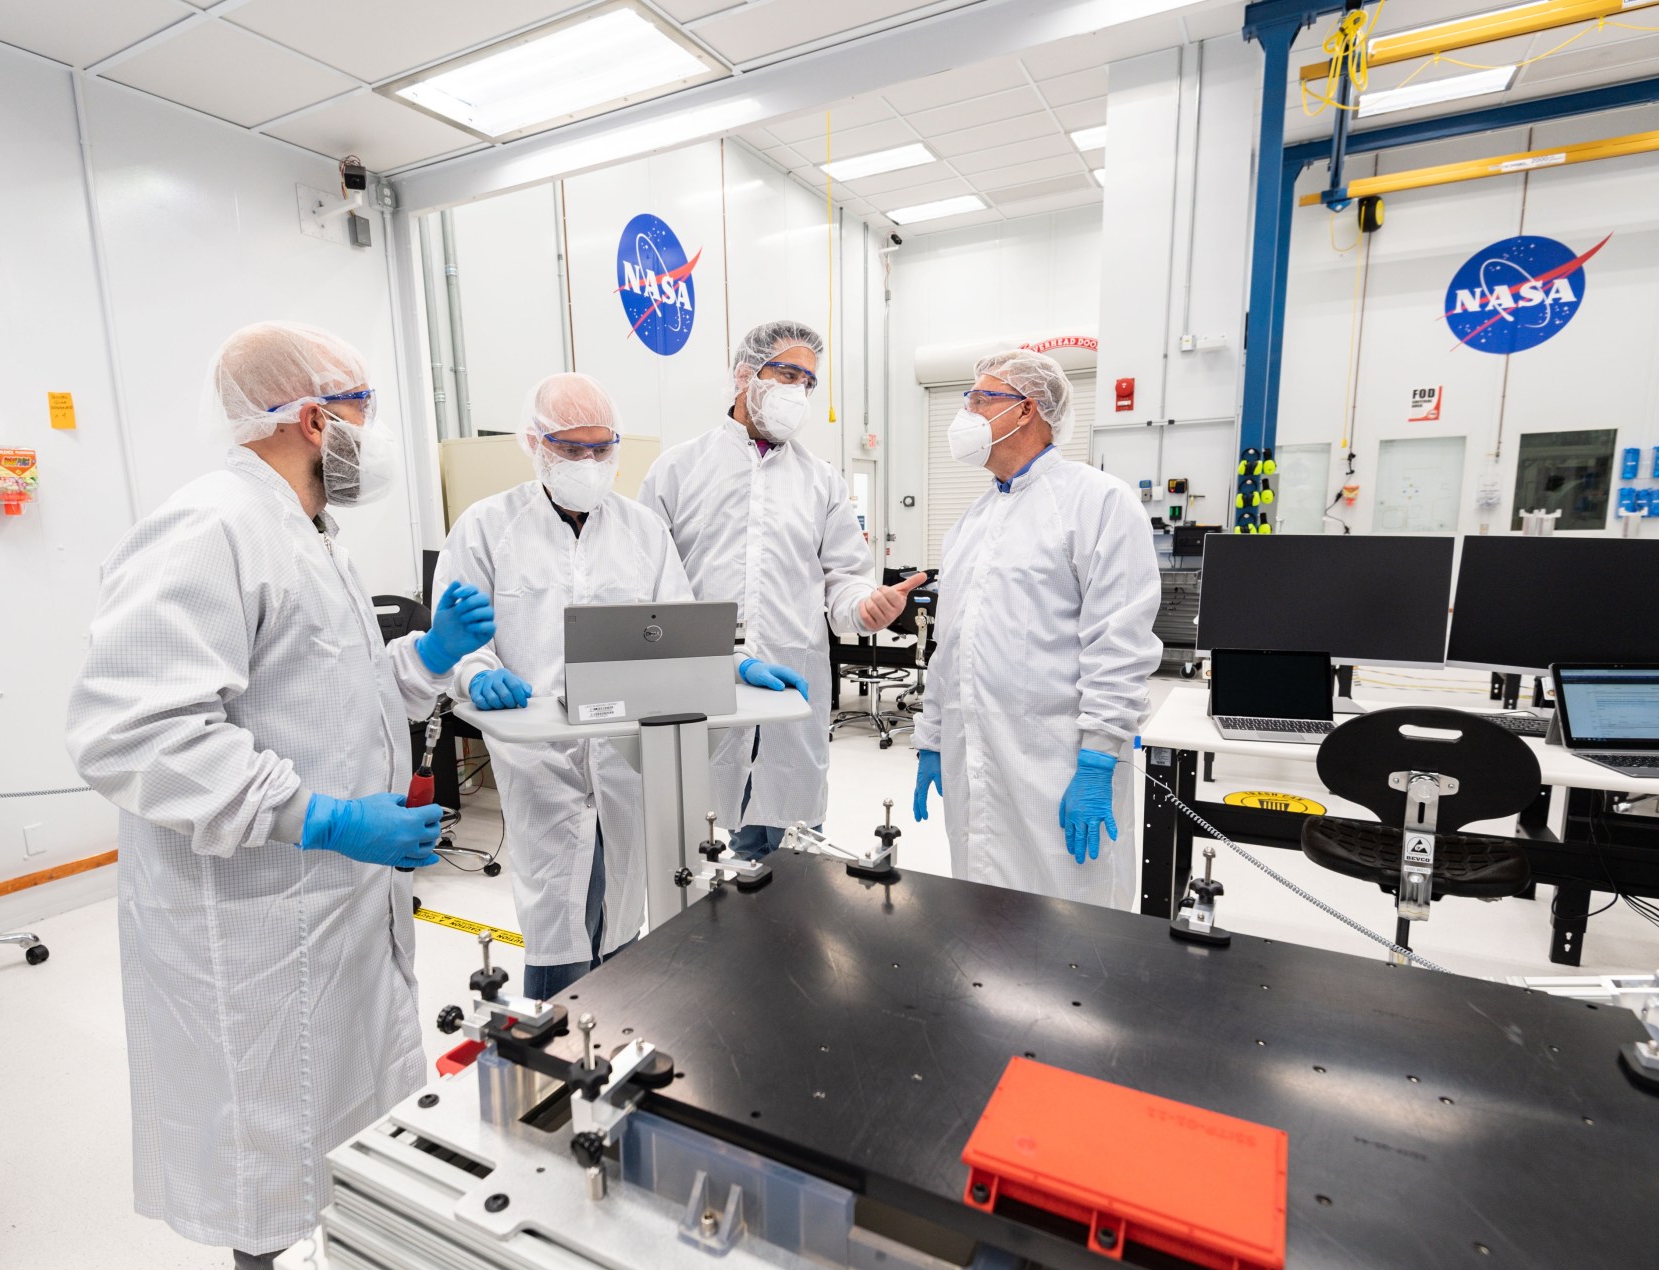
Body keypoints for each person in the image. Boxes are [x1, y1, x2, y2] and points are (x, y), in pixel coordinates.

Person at [66, 321, 495, 1270]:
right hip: (257, 925)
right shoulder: (210, 526)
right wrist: (323, 817)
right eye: (362, 413)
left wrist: (422, 659)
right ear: (315, 417)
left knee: (339, 1151)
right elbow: (133, 731)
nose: (369, 436)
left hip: (326, 913)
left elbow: (317, 696)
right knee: (277, 1180)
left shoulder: (304, 531)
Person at [434, 373, 805, 998]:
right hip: (540, 757)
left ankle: (621, 1032)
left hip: (631, 751)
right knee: (557, 908)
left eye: (601, 448)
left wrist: (734, 665)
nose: (588, 463)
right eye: (571, 449)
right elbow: (456, 635)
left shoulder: (641, 530)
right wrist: (477, 671)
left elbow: (679, 627)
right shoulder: (485, 527)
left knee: (628, 895)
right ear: (534, 442)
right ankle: (554, 1046)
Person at [639, 321, 925, 860]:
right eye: (788, 374)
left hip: (793, 683)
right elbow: (647, 584)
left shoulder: (822, 480)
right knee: (694, 850)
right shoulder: (676, 470)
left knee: (790, 845)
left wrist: (866, 607)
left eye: (809, 382)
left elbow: (843, 577)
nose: (799, 391)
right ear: (746, 374)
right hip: (701, 681)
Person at [910, 349, 1162, 906]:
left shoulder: (1097, 502)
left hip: (1058, 761)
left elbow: (1119, 642)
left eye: (980, 399)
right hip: (974, 755)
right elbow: (949, 648)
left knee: (1071, 921)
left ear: (1025, 411)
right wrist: (932, 738)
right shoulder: (971, 521)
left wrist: (1098, 758)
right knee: (982, 904)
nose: (967, 413)